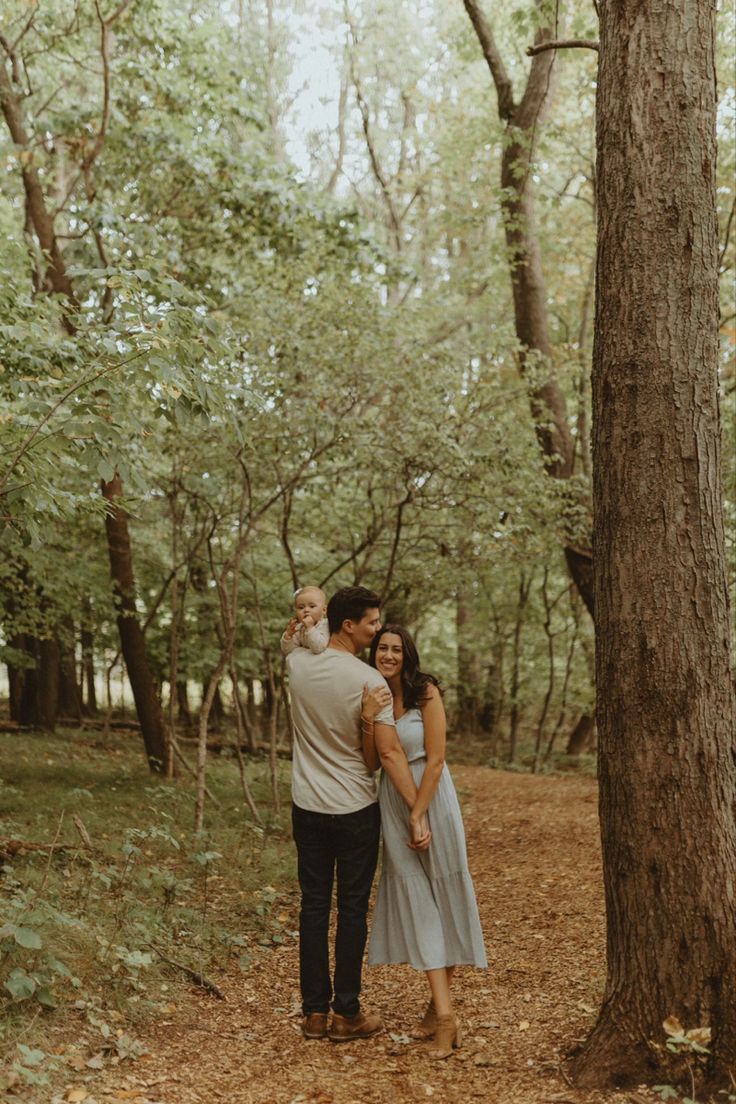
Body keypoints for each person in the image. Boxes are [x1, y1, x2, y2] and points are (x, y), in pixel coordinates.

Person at [286, 587, 431, 1044]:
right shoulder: (371, 682)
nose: (376, 630)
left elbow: (293, 642)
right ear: (348, 625)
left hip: (307, 805)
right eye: (372, 623)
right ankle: (345, 1012)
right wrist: (418, 809)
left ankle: (313, 1013)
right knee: (350, 911)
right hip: (353, 809)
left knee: (313, 906)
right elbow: (384, 756)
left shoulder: (296, 664)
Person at [360, 624, 487, 1060]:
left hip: (431, 798)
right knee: (419, 901)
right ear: (373, 653)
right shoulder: (374, 694)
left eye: (396, 649)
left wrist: (420, 812)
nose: (388, 655)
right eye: (382, 648)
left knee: (445, 893)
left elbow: (436, 758)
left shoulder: (426, 691)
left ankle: (444, 1017)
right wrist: (366, 715)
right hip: (392, 802)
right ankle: (440, 1009)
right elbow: (374, 759)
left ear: (407, 654)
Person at [280, 585, 330, 656]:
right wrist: (288, 636)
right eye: (301, 607)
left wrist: (310, 628)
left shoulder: (326, 625)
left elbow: (319, 648)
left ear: (324, 610)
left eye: (312, 606)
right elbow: (289, 651)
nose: (306, 610)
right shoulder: (299, 628)